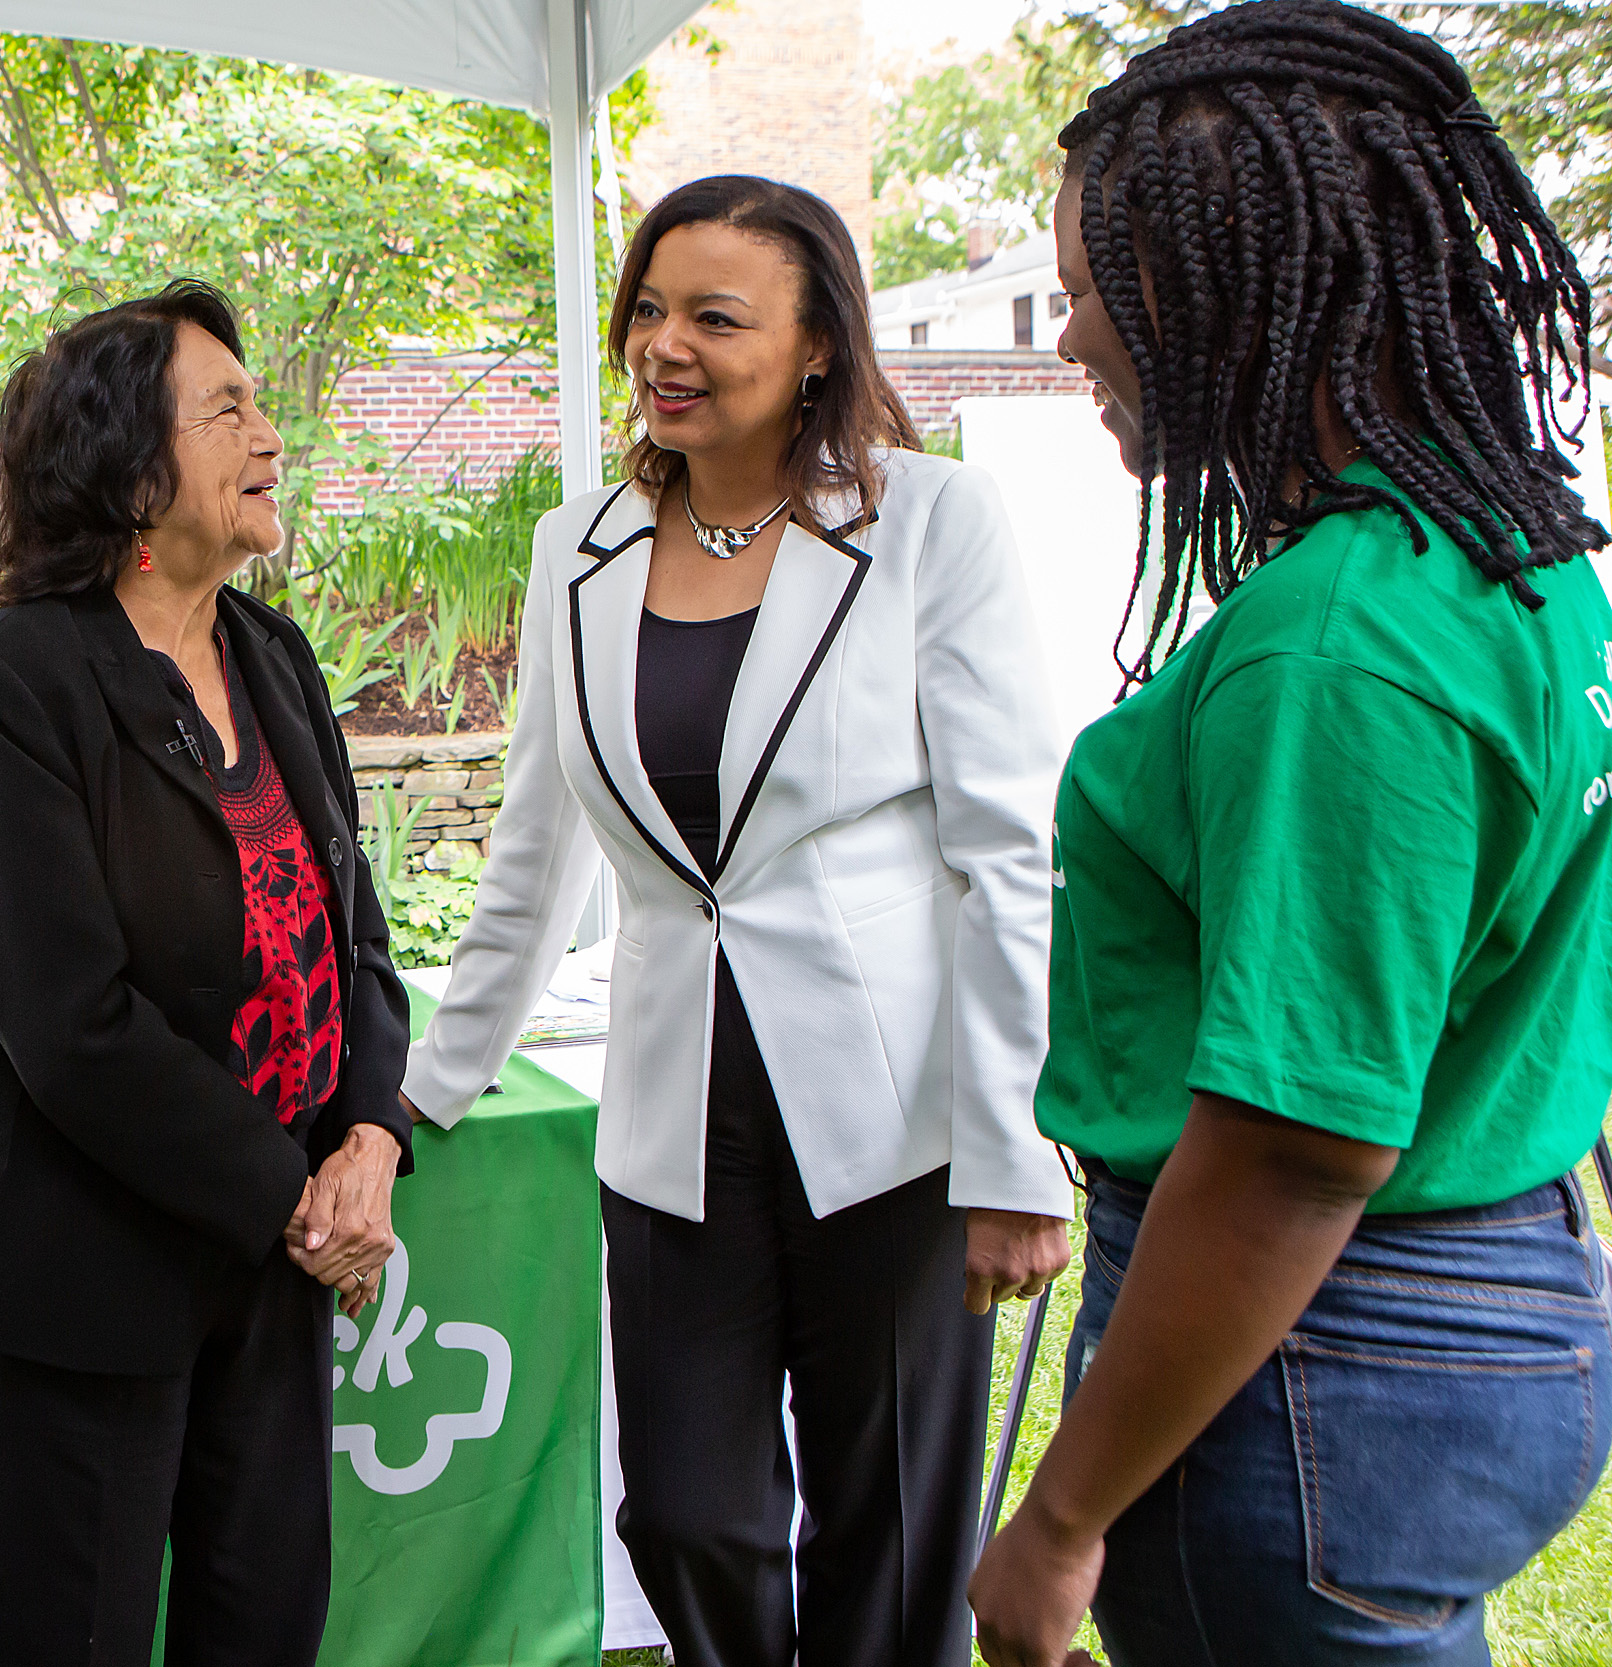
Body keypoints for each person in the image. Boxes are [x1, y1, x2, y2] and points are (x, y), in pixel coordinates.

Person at [967, 6, 1612, 1664]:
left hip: (1317, 1365)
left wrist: (1057, 1522)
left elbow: (1297, 1153)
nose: (1074, 339)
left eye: (1089, 288)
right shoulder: (1511, 558)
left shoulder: (1342, 648)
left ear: (1201, 287)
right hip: (1477, 1303)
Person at [402, 175, 1074, 1667]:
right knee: (689, 1514)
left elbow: (1005, 852)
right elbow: (535, 851)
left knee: (889, 1523)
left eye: (715, 315)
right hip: (671, 1115)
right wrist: (424, 1088)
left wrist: (1017, 1147)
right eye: (647, 308)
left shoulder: (929, 521)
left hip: (894, 1117)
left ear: (820, 343)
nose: (663, 344)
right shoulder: (576, 549)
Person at [0, 278, 414, 1667]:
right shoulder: (12, 684)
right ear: (130, 470)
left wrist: (367, 1135)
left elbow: (353, 931)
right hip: (93, 1262)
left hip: (277, 1259)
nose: (270, 433)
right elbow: (71, 1025)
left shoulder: (273, 654)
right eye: (228, 408)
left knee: (266, 1625)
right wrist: (290, 1198)